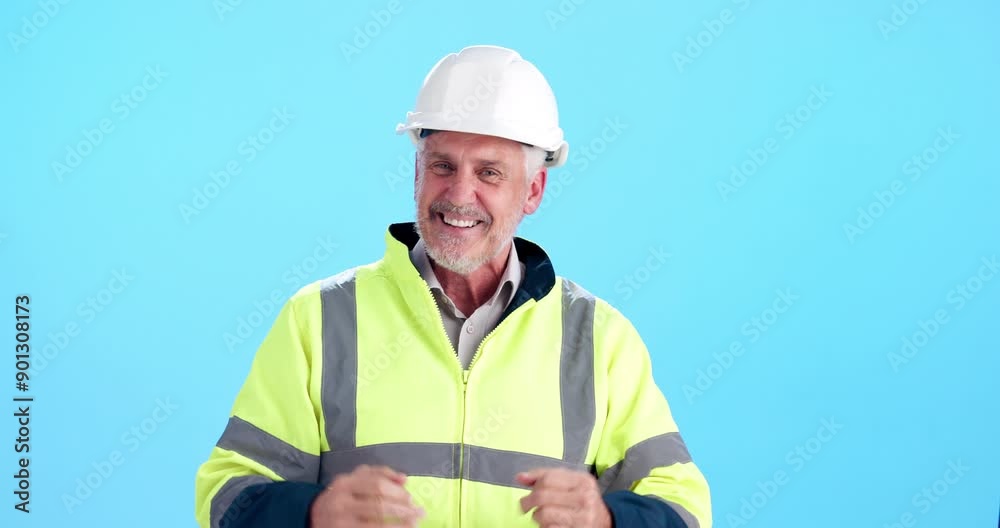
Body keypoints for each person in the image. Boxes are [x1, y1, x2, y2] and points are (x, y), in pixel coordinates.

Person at [194, 45, 712, 528]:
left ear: (533, 189)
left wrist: (609, 517)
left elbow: (684, 510)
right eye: (443, 165)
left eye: (489, 172)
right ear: (417, 171)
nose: (460, 194)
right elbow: (225, 494)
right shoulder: (320, 319)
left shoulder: (599, 340)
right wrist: (312, 512)